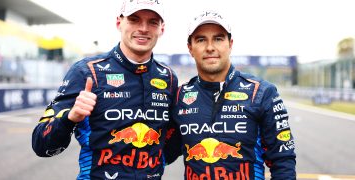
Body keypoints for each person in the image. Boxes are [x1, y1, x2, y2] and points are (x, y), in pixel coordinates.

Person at [32, 0, 178, 179]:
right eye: (134, 19)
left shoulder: (168, 77)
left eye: (153, 22)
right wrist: (70, 118)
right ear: (119, 23)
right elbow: (41, 145)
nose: (144, 28)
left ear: (161, 29)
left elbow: (169, 147)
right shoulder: (86, 71)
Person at [165, 10, 296, 179]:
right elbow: (162, 154)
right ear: (190, 48)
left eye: (218, 39)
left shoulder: (262, 92)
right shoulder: (180, 97)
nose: (210, 47)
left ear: (230, 44)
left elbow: (283, 162)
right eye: (201, 39)